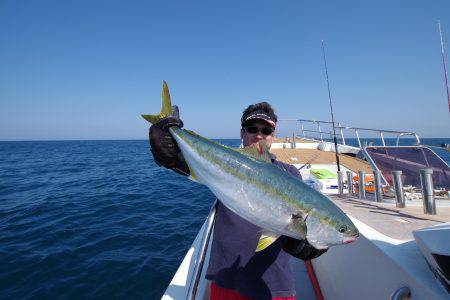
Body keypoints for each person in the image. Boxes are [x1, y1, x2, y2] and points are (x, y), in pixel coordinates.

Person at [149, 102, 326, 299]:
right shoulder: (226, 164)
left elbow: (302, 222)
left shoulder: (290, 174)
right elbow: (181, 163)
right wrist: (167, 151)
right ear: (242, 133)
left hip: (274, 284)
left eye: (266, 130)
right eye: (252, 129)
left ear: (273, 136)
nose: (258, 135)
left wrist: (303, 244)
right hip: (227, 280)